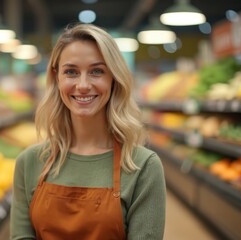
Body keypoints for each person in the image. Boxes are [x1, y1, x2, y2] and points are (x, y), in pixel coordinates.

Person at [10, 23, 166, 240]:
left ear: (113, 78)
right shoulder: (29, 163)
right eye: (71, 72)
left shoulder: (143, 167)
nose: (83, 85)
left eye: (97, 71)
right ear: (57, 78)